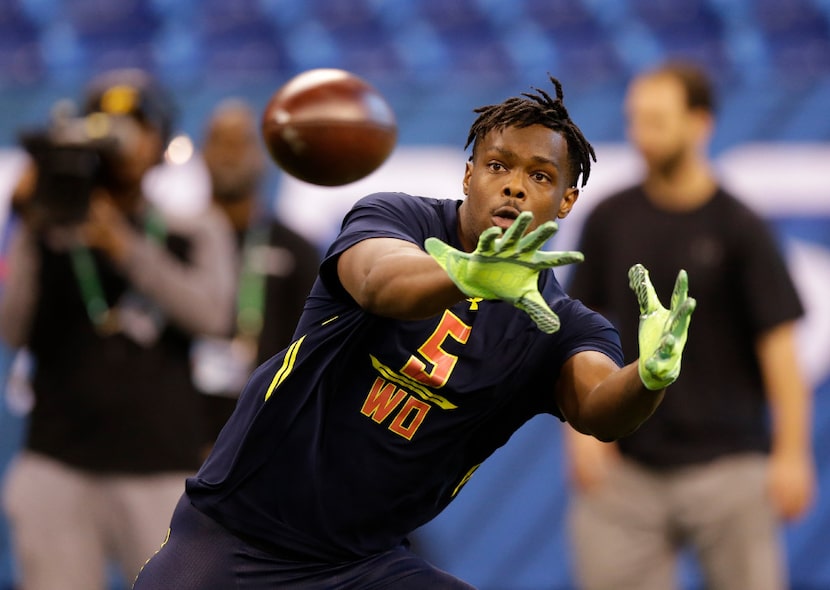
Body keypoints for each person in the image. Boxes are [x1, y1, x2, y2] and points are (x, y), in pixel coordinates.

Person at [132, 75, 695, 590]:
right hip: (234, 535)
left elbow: (598, 405)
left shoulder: (559, 323)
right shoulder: (397, 219)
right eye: (498, 166)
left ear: (566, 201)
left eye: (540, 176)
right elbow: (379, 280)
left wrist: (648, 379)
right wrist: (463, 272)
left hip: (359, 567)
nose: (515, 187)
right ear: (469, 174)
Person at [564, 61, 815, 590]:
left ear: (700, 124)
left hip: (728, 468)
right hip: (627, 471)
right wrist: (583, 439)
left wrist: (793, 455)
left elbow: (780, 350)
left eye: (657, 120)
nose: (642, 135)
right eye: (636, 120)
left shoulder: (740, 228)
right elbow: (579, 335)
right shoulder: (610, 218)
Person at [0, 68, 237, 590]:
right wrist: (25, 223)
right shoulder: (52, 226)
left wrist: (124, 248)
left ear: (162, 141)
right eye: (108, 126)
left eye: (138, 126)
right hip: (57, 463)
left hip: (160, 464)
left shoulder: (190, 228)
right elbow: (12, 329)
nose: (123, 142)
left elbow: (213, 317)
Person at [193, 98, 320, 446]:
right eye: (219, 141)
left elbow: (313, 351)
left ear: (262, 158)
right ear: (202, 154)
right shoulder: (177, 241)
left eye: (241, 143)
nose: (229, 154)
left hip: (263, 437)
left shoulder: (295, 249)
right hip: (176, 438)